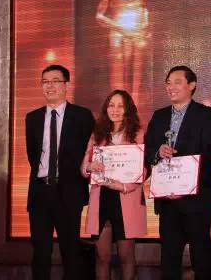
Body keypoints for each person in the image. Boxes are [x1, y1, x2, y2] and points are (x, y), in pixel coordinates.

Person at [144, 66, 211, 280]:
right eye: (168, 83)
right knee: (169, 259)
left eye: (177, 82)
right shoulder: (159, 116)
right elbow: (148, 149)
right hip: (167, 200)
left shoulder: (205, 114)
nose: (171, 87)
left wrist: (186, 183)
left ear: (192, 85)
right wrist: (158, 151)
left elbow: (210, 152)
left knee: (201, 258)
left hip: (196, 198)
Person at [25, 64, 95, 280]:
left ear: (66, 85)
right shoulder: (32, 118)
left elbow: (90, 152)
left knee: (70, 251)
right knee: (40, 252)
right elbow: (33, 155)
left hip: (69, 193)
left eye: (55, 81)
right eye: (45, 82)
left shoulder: (82, 116)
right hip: (40, 192)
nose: (50, 86)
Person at [81, 90, 147, 280]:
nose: (115, 110)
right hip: (101, 198)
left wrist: (124, 186)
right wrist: (90, 166)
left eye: (120, 106)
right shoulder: (97, 134)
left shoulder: (137, 134)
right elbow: (84, 166)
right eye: (111, 105)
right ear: (106, 108)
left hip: (125, 197)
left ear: (127, 109)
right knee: (102, 257)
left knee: (126, 256)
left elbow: (144, 169)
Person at [96, 0, 148, 99]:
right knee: (119, 86)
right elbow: (99, 16)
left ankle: (135, 112)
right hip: (119, 32)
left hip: (138, 33)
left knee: (136, 86)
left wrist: (145, 23)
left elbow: (144, 6)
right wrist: (122, 28)